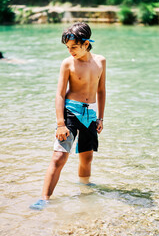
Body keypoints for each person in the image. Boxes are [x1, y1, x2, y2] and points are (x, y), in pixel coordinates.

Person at [30, 22, 106, 210]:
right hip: (70, 113)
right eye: (67, 47)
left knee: (86, 157)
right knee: (59, 157)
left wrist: (101, 118)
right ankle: (44, 198)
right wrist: (60, 123)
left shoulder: (101, 61)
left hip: (90, 115)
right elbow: (59, 94)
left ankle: (85, 189)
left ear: (86, 44)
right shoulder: (68, 63)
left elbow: (102, 90)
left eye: (74, 46)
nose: (70, 50)